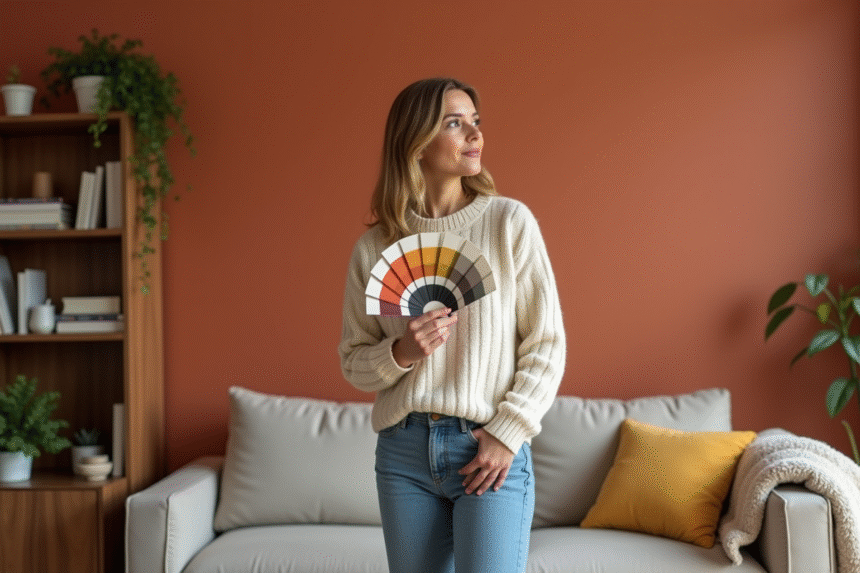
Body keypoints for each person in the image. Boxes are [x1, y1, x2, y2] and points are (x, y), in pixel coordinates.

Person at [339, 78, 565, 573]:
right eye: (455, 124)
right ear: (416, 143)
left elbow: (546, 345)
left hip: (486, 448)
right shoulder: (374, 247)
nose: (475, 135)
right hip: (402, 454)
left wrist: (507, 433)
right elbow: (354, 364)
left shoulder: (510, 224)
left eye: (476, 122)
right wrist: (400, 353)